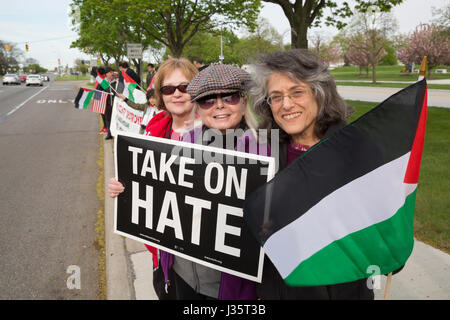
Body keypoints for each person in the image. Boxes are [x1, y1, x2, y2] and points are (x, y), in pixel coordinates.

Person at [249, 48, 374, 300]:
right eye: (276, 96)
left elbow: (385, 230)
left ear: (319, 94)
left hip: (342, 291)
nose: (286, 105)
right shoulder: (264, 152)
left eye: (297, 92)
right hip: (279, 289)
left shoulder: (358, 149)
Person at [108, 57, 199, 299]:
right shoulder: (154, 129)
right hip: (164, 253)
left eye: (185, 87)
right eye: (168, 89)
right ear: (160, 94)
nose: (177, 94)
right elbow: (140, 182)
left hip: (204, 259)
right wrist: (122, 187)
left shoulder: (219, 131)